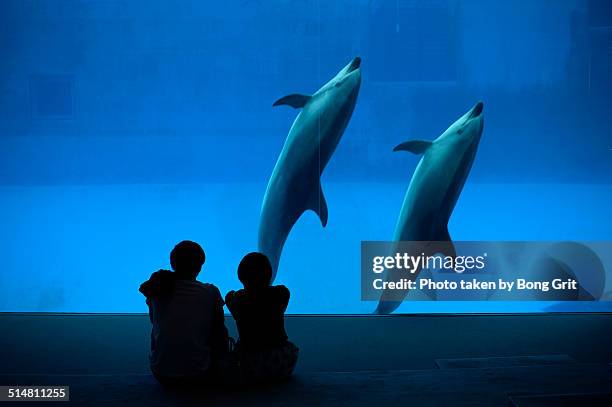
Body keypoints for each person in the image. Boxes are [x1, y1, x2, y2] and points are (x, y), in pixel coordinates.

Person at [139, 240, 229, 387]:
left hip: (161, 373)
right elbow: (219, 331)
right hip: (200, 373)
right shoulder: (210, 292)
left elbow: (153, 321)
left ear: (172, 264)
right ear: (200, 266)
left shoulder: (157, 290)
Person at [225, 252, 298, 383]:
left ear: (241, 277)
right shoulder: (281, 293)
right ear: (270, 275)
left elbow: (231, 299)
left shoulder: (237, 299)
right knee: (290, 347)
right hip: (281, 361)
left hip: (250, 364)